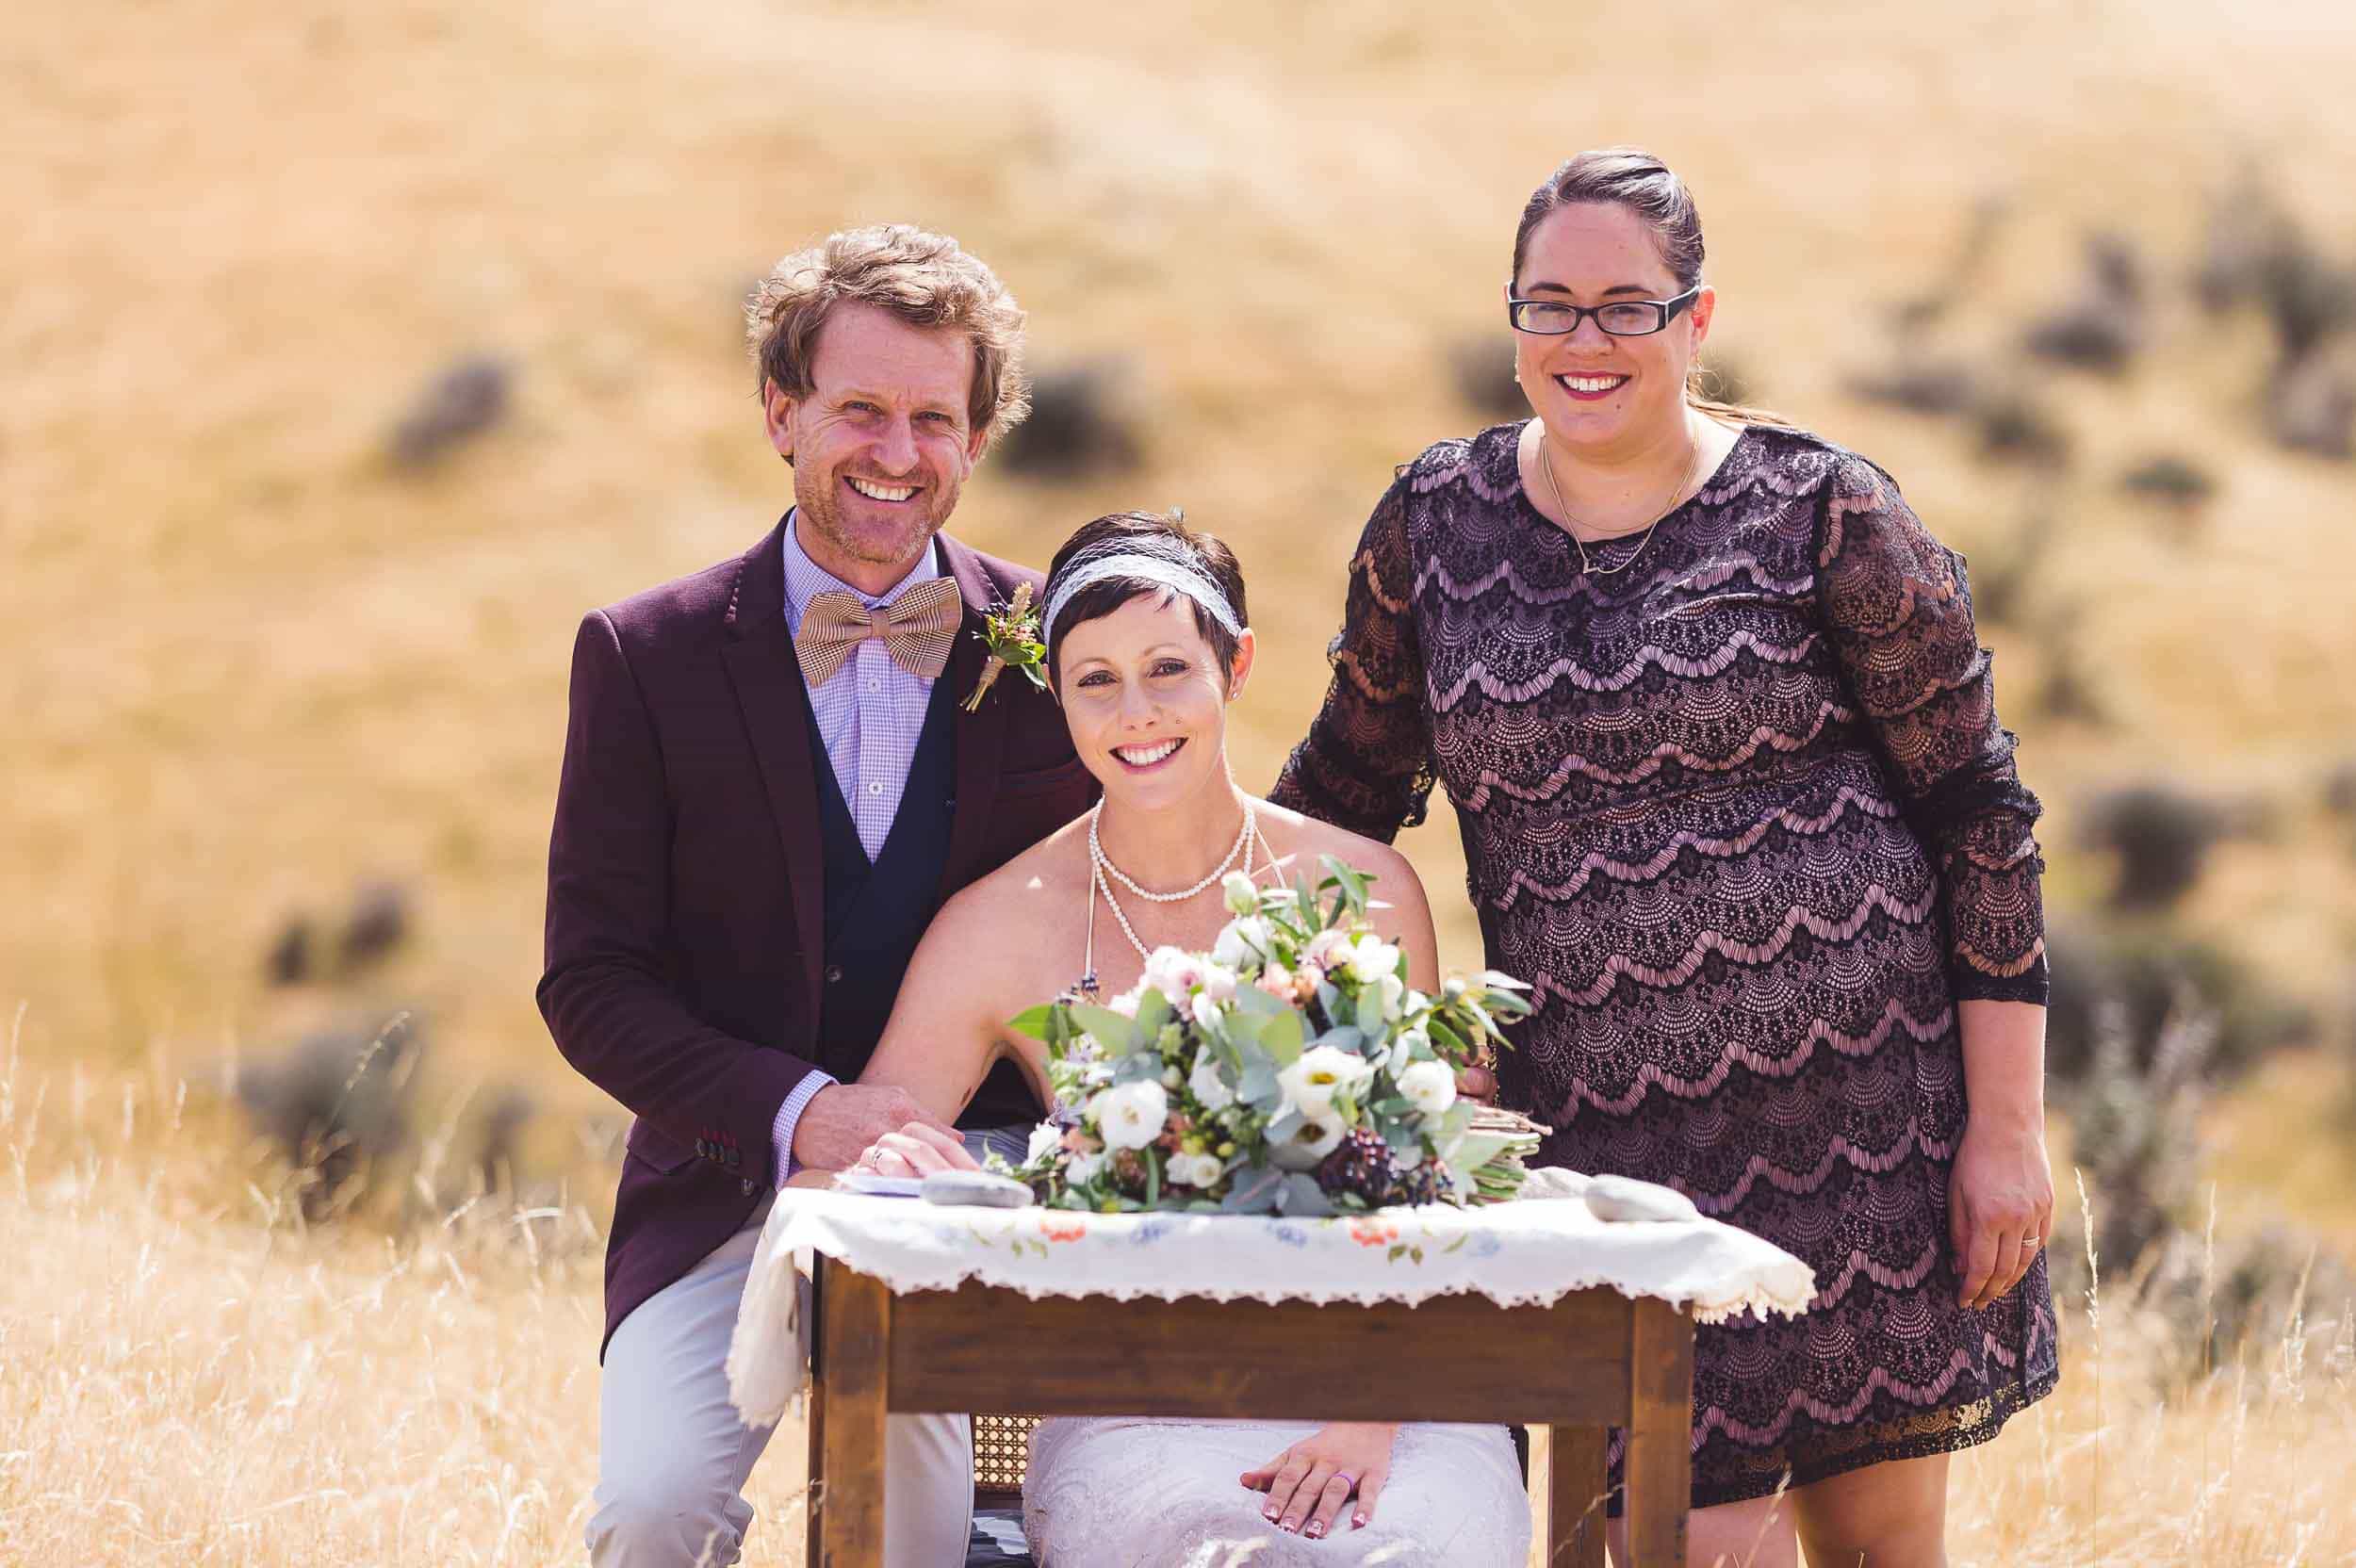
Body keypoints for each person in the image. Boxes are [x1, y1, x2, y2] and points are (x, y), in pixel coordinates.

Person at [1268, 147, 2058, 1568]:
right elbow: (1333, 813)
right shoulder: (1434, 532)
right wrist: (1405, 1052)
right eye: (1553, 304)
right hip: (1617, 1170)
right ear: (1512, 318)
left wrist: (2005, 1133)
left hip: (1871, 1141)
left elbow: (1979, 823)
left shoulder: (1827, 516)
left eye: (1628, 306)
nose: (1588, 342)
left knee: (1887, 1560)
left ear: (1696, 321)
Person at [539, 222, 1096, 1567]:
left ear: (978, 438)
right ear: (781, 412)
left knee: (926, 1526)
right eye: (859, 410)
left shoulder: (1064, 644)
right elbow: (590, 983)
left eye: (933, 419)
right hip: (727, 1190)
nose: (895, 454)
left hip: (988, 1191)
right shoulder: (645, 654)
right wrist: (803, 1115)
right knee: (652, 1515)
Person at [833, 509, 1531, 1566]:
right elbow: (879, 1160)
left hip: (1389, 1390)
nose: (1136, 711)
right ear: (1054, 693)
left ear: (1235, 665)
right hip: (1133, 1398)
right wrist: (895, 1154)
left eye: (1168, 667)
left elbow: (1420, 1179)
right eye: (1095, 679)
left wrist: (1369, 1413)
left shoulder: (1362, 889)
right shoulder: (995, 924)